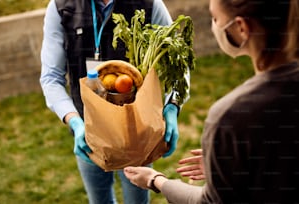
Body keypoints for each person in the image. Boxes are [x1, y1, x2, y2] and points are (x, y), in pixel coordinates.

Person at [123, 0, 299, 203]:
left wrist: (156, 180)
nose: (213, 26)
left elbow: (210, 201)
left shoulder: (231, 117)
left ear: (241, 28)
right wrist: (233, 165)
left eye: (215, 18)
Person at [40, 0, 188, 203]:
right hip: (88, 131)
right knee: (99, 199)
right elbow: (51, 78)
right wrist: (74, 121)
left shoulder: (149, 4)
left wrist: (172, 107)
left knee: (137, 198)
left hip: (137, 130)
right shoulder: (61, 7)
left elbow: (179, 65)